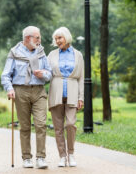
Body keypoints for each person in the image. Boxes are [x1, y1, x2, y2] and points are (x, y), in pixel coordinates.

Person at [1, 26, 52, 169]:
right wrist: (9, 88)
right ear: (27, 38)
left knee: (41, 124)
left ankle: (41, 158)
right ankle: (26, 158)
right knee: (25, 126)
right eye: (37, 37)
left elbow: (49, 73)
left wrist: (44, 74)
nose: (39, 40)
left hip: (39, 91)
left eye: (39, 37)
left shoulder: (41, 52)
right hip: (21, 91)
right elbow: (5, 75)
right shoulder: (14, 53)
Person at [47, 27, 84, 167]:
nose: (57, 41)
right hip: (56, 92)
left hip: (73, 92)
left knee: (70, 124)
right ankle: (62, 156)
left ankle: (71, 153)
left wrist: (81, 97)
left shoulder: (78, 54)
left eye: (60, 38)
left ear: (67, 38)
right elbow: (46, 72)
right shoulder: (51, 54)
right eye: (56, 39)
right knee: (57, 127)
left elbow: (81, 77)